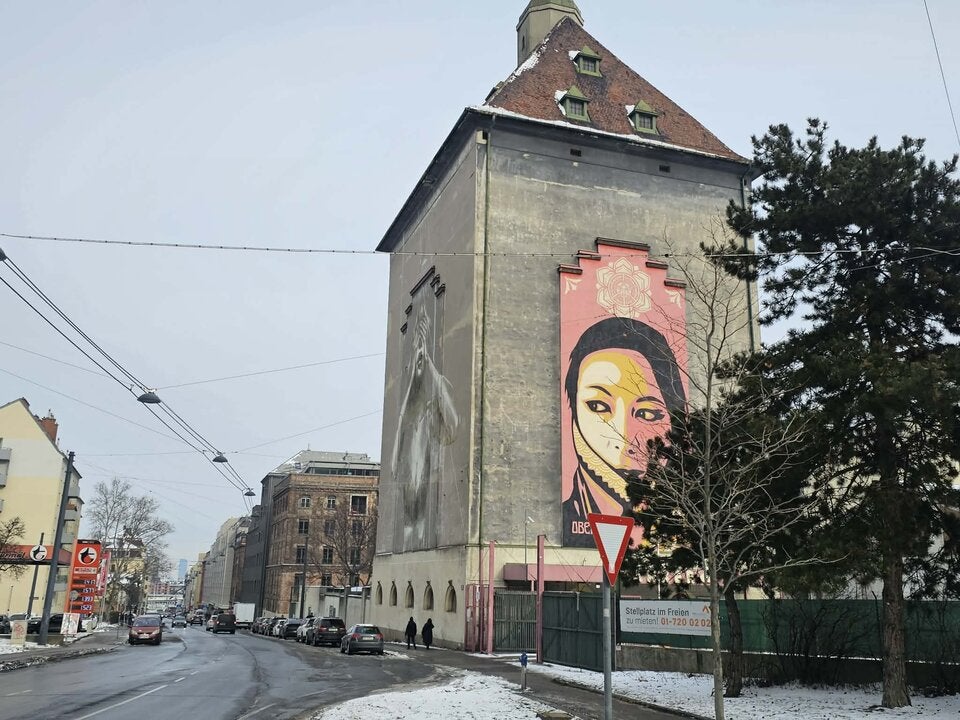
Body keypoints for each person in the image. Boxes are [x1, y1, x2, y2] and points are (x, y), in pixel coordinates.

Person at [562, 317, 686, 547]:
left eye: (648, 414)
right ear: (573, 415)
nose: (624, 437)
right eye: (598, 407)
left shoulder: (689, 528)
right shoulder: (569, 516)